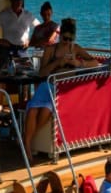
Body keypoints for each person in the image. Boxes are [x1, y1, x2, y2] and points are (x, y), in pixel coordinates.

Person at [23, 18, 100, 156]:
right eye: (65, 38)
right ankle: (28, 144)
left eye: (70, 39)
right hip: (49, 84)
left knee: (46, 110)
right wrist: (58, 62)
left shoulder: (75, 49)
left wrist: (78, 63)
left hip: (65, 88)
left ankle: (28, 139)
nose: (67, 42)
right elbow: (42, 72)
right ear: (60, 36)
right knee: (34, 109)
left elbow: (95, 63)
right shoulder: (50, 50)